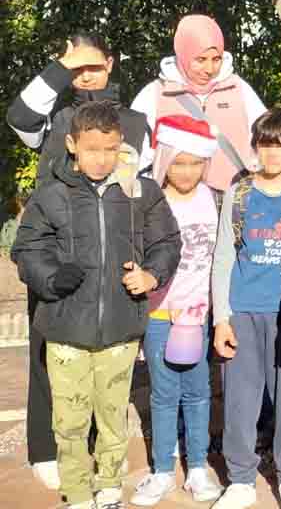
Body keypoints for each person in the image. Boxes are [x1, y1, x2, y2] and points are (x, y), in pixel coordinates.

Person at [11, 100, 181, 509]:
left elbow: (167, 242)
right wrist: (52, 277)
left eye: (110, 149)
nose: (102, 159)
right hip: (66, 330)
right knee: (69, 422)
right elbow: (27, 247)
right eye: (92, 149)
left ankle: (108, 488)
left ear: (122, 144)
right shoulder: (51, 195)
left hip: (120, 332)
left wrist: (150, 276)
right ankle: (77, 492)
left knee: (111, 417)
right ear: (72, 144)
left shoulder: (141, 193)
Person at [5, 32, 150, 490]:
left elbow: (136, 194)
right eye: (77, 69)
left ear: (112, 63)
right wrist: (61, 67)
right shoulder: (56, 120)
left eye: (94, 66)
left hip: (107, 253)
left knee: (103, 354)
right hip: (53, 254)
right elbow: (20, 116)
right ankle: (47, 447)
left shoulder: (136, 122)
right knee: (49, 349)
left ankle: (91, 445)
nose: (86, 76)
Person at [210, 109, 281, 509]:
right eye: (265, 144)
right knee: (240, 398)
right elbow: (223, 259)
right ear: (255, 147)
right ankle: (239, 479)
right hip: (244, 311)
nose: (272, 153)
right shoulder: (239, 194)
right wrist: (221, 318)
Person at [130, 115, 226, 506]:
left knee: (198, 392)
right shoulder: (149, 200)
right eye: (179, 162)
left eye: (195, 163)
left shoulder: (216, 198)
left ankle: (199, 466)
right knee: (164, 393)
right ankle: (163, 470)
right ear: (165, 159)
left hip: (198, 315)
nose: (186, 171)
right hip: (158, 315)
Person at [132, 14, 267, 191]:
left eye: (216, 59)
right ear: (183, 55)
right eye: (200, 60)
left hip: (232, 198)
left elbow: (266, 138)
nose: (209, 69)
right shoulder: (155, 94)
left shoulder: (239, 89)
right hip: (174, 200)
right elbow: (136, 155)